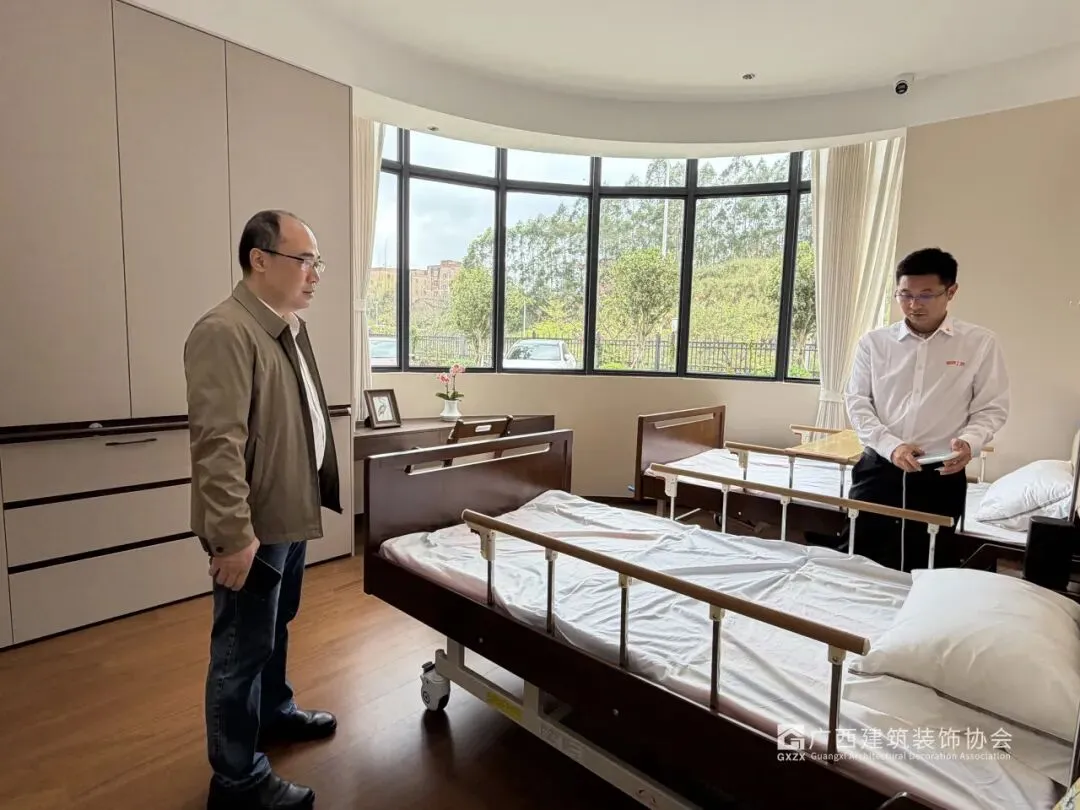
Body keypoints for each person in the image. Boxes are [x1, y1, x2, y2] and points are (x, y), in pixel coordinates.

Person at [185, 210, 343, 810]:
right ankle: (236, 781)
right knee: (240, 648)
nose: (315, 274)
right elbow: (217, 444)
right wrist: (232, 537)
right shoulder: (225, 331)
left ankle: (272, 713)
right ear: (260, 259)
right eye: (305, 261)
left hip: (288, 512)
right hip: (252, 527)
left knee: (275, 627)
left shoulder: (288, 329)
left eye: (317, 263)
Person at [843, 247, 1009, 572]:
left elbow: (991, 407)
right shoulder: (874, 343)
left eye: (926, 295)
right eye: (905, 295)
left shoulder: (979, 343)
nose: (913, 305)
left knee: (931, 564)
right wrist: (892, 446)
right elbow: (858, 402)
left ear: (951, 292)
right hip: (878, 469)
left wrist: (970, 442)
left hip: (940, 475)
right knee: (863, 561)